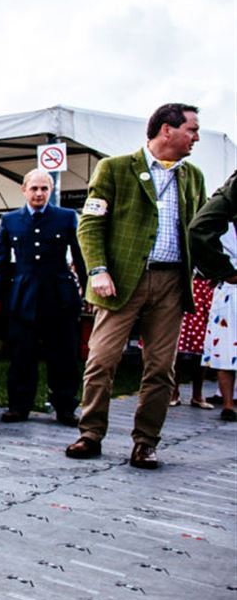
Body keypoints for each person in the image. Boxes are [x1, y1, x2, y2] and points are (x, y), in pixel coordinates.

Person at [66, 103, 207, 469]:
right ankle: (90, 433)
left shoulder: (193, 176)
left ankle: (145, 442)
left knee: (161, 368)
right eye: (192, 129)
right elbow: (90, 224)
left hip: (172, 283)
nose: (196, 137)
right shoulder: (113, 168)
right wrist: (98, 270)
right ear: (166, 130)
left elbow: (200, 229)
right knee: (101, 360)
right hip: (120, 281)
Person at [0, 169, 86, 424]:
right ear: (24, 190)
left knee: (63, 354)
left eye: (44, 189)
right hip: (24, 296)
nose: (39, 193)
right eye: (34, 188)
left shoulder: (66, 217)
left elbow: (80, 254)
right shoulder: (10, 220)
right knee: (22, 354)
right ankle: (19, 406)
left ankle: (65, 407)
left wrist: (88, 289)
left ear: (51, 191)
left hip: (59, 295)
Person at [189, 169, 237, 422]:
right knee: (226, 346)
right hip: (229, 289)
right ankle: (227, 402)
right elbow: (198, 232)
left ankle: (227, 400)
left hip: (226, 288)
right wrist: (224, 271)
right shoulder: (221, 224)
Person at [169, 274, 214, 409]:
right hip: (183, 286)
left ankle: (197, 395)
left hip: (205, 288)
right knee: (177, 346)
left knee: (202, 347)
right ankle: (173, 392)